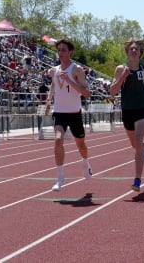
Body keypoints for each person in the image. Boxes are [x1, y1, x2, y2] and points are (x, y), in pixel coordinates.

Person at [109, 38, 144, 192]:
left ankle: (137, 179)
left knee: (138, 140)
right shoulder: (120, 69)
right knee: (135, 144)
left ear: (140, 53)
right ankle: (143, 149)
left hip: (142, 109)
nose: (134, 51)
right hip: (127, 110)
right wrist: (122, 77)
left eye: (137, 49)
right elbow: (112, 92)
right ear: (127, 52)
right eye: (131, 49)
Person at [44, 39, 93, 191]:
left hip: (74, 113)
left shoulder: (76, 70)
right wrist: (48, 99)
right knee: (58, 141)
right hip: (60, 113)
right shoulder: (54, 70)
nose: (60, 53)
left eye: (64, 50)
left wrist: (69, 81)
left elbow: (86, 93)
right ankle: (60, 178)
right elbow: (53, 83)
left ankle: (85, 162)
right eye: (59, 50)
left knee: (81, 145)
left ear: (70, 52)